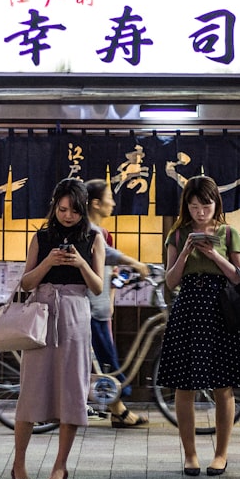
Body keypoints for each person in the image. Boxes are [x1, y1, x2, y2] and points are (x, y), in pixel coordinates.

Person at [10, 178, 106, 479]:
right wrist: (49, 262)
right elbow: (26, 283)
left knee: (71, 392)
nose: (67, 216)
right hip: (42, 313)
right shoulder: (42, 236)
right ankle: (19, 462)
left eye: (74, 211)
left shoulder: (94, 237)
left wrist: (80, 263)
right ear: (55, 206)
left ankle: (60, 466)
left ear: (84, 211)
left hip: (76, 314)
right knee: (31, 389)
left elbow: (98, 286)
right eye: (62, 209)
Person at [156, 176, 240, 477]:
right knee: (184, 386)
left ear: (216, 203)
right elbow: (170, 282)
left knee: (223, 385)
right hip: (188, 308)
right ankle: (190, 455)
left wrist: (214, 255)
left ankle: (221, 454)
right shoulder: (178, 233)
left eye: (206, 205)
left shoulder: (228, 232)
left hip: (221, 309)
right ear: (186, 206)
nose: (200, 212)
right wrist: (186, 251)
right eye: (194, 205)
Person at [85, 179, 150, 429]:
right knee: (107, 364)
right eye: (109, 197)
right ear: (96, 203)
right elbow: (107, 254)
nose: (113, 202)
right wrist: (134, 262)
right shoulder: (90, 230)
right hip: (90, 309)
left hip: (99, 308)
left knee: (105, 363)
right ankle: (119, 411)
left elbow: (105, 264)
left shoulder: (100, 231)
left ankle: (118, 411)